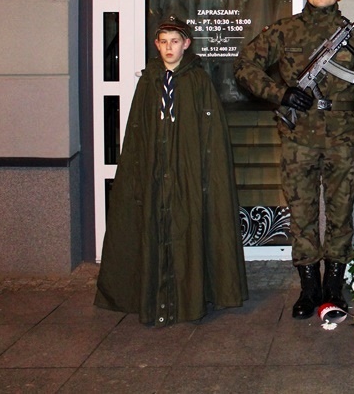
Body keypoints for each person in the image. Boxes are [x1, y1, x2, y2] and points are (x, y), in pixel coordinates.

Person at [235, 0, 354, 319]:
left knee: (339, 216)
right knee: (301, 217)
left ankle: (333, 287)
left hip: (344, 142)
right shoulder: (284, 32)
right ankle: (308, 289)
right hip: (298, 139)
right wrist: (280, 93)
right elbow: (244, 67)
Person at [96, 16, 248, 325]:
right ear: (156, 44)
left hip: (187, 171)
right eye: (163, 41)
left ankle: (188, 296)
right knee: (155, 223)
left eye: (175, 41)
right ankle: (155, 293)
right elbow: (138, 131)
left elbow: (210, 134)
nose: (169, 47)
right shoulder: (149, 81)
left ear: (186, 44)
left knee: (186, 227)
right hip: (156, 169)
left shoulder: (198, 81)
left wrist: (204, 174)